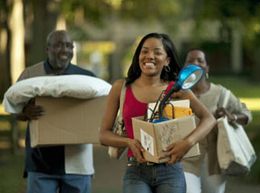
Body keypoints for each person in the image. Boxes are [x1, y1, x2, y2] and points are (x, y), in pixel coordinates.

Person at [99, 33, 216, 193]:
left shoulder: (177, 89)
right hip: (136, 171)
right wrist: (128, 142)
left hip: (171, 170)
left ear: (167, 60)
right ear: (138, 56)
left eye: (157, 52)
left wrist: (187, 142)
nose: (150, 56)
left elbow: (209, 119)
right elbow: (103, 135)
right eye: (144, 51)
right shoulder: (121, 88)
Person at [15, 30, 96, 193]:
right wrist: (25, 112)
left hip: (78, 163)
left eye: (68, 46)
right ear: (48, 49)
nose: (64, 50)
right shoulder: (30, 75)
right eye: (58, 45)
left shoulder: (87, 78)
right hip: (40, 163)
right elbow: (13, 108)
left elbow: (98, 112)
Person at [181, 49, 253, 193]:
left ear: (207, 68)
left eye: (200, 60)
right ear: (184, 67)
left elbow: (246, 113)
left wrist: (233, 117)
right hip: (185, 159)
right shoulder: (178, 94)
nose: (195, 63)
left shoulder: (221, 94)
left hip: (214, 160)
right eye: (190, 60)